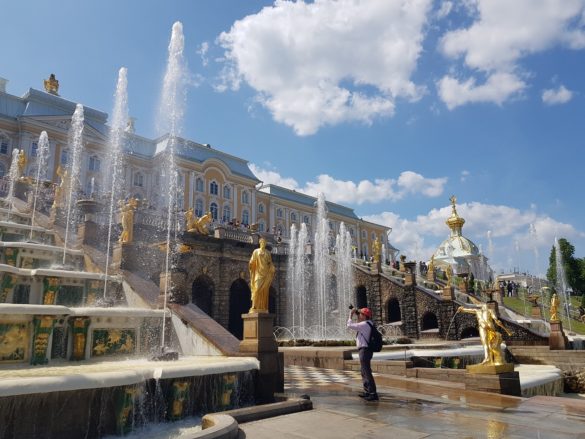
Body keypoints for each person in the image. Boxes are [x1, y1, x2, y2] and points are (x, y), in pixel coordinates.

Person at [347, 307, 378, 401]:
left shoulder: (364, 324)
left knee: (367, 372)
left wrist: (350, 314)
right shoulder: (369, 323)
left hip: (364, 350)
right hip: (366, 350)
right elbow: (359, 321)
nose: (359, 315)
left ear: (364, 316)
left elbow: (349, 325)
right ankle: (368, 391)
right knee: (364, 371)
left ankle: (372, 393)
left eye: (360, 314)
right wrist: (357, 313)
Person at [248, 238, 275, 313]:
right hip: (258, 273)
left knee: (264, 291)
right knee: (256, 289)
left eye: (265, 242)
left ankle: (262, 307)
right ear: (260, 243)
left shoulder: (268, 253)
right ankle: (254, 306)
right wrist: (250, 263)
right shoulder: (256, 251)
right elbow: (252, 260)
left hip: (265, 274)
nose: (263, 243)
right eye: (262, 242)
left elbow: (270, 263)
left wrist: (272, 268)